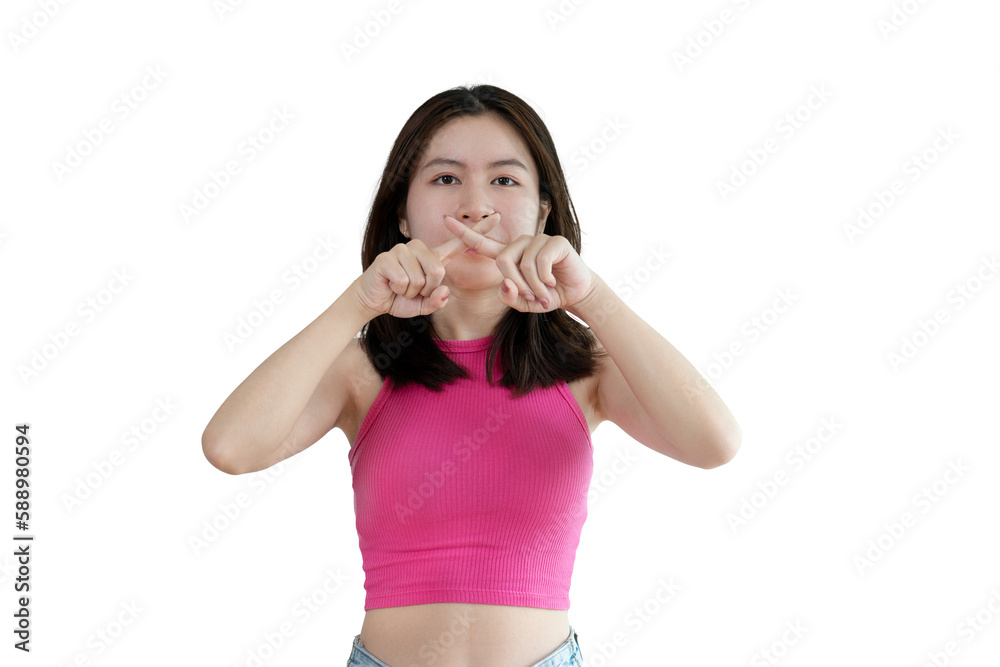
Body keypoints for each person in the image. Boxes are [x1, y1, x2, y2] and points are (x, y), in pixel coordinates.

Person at [202, 84, 742, 667]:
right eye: (445, 178)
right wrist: (357, 304)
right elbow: (230, 449)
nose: (475, 206)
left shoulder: (588, 368)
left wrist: (592, 297)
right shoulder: (361, 370)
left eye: (504, 180)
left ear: (542, 212)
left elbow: (714, 443)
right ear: (402, 215)